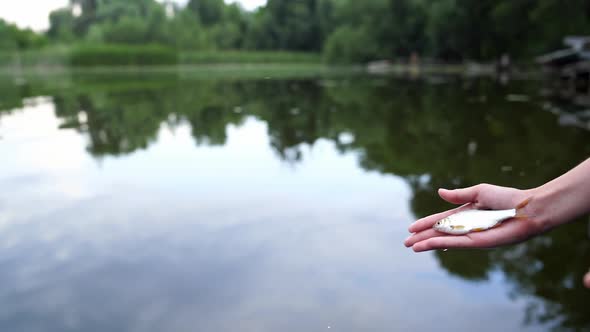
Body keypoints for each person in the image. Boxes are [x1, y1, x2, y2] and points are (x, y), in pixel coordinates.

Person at [404, 158, 590, 288]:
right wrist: (539, 207)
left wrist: (537, 207)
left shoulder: (453, 225)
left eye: (439, 224)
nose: (439, 226)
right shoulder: (451, 225)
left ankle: (524, 212)